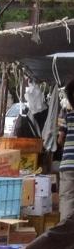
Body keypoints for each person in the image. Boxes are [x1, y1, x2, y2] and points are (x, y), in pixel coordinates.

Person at [56, 78, 74, 223]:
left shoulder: (68, 115)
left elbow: (60, 140)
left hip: (68, 164)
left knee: (67, 199)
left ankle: (66, 232)